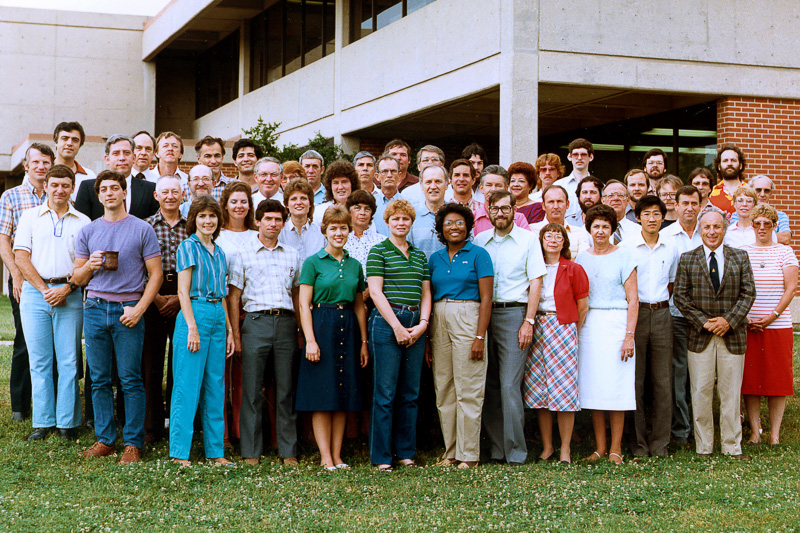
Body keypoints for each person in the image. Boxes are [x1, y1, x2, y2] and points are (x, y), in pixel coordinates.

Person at [73, 170, 163, 464]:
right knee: (98, 379)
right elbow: (78, 277)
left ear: (124, 193)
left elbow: (156, 274)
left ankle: (133, 443)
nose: (109, 193)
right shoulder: (88, 230)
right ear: (98, 196)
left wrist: (139, 308)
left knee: (130, 379)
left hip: (128, 310)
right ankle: (105, 440)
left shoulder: (142, 229)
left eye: (115, 188)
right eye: (104, 189)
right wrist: (90, 266)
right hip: (96, 307)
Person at [15, 165, 89, 440]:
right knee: (40, 360)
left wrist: (66, 288)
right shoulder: (30, 217)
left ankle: (67, 424)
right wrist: (45, 289)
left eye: (65, 185)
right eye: (54, 185)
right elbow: (21, 256)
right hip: (37, 295)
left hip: (69, 294)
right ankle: (44, 422)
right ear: (45, 186)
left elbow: (84, 265)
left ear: (72, 188)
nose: (60, 190)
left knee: (69, 361)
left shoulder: (83, 221)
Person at [673, 210, 755, 459]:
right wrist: (704, 322)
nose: (711, 232)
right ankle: (704, 446)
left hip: (732, 335)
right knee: (700, 392)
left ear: (724, 229)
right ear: (700, 229)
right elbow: (680, 296)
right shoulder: (688, 259)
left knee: (730, 393)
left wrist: (728, 321)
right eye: (707, 227)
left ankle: (732, 445)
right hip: (701, 336)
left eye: (717, 227)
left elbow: (748, 293)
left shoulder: (740, 257)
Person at [228, 199, 302, 466]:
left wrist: (301, 330)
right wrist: (236, 333)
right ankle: (251, 451)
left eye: (278, 220)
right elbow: (234, 296)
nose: (273, 224)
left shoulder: (292, 254)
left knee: (285, 389)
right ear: (257, 221)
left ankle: (288, 450)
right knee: (251, 389)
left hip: (284, 323)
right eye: (268, 219)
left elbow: (296, 294)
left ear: (284, 223)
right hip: (255, 323)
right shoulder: (243, 253)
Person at [475, 190, 546, 466]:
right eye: (496, 209)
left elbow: (536, 282)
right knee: (490, 384)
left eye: (506, 208)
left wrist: (528, 320)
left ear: (515, 210)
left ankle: (516, 451)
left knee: (508, 385)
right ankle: (496, 449)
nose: (501, 213)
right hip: (484, 315)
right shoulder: (481, 241)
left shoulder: (528, 240)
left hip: (514, 314)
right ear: (488, 211)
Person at [296, 206, 369, 470]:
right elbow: (304, 304)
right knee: (322, 395)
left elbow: (360, 305)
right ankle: (325, 456)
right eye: (333, 228)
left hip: (348, 326)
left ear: (349, 230)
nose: (339, 233)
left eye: (343, 228)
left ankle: (337, 455)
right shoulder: (313, 262)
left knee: (343, 395)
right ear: (324, 230)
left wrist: (363, 342)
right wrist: (311, 340)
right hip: (322, 326)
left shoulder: (354, 265)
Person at [169, 196, 235, 466]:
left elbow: (222, 295)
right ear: (194, 219)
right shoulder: (188, 247)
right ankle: (179, 453)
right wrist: (193, 328)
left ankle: (215, 452)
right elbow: (182, 291)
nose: (208, 221)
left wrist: (230, 329)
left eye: (212, 216)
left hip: (218, 317)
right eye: (202, 216)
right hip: (194, 314)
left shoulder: (219, 252)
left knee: (215, 384)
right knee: (187, 384)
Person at [366, 199, 431, 472]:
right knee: (385, 392)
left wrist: (423, 323)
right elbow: (375, 292)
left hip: (416, 323)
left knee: (410, 392)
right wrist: (396, 327)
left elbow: (426, 293)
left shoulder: (419, 256)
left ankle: (405, 452)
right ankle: (382, 456)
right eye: (396, 219)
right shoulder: (378, 251)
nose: (401, 223)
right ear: (388, 222)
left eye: (406, 219)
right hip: (386, 322)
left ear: (411, 222)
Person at [428, 203, 493, 469]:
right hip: (439, 317)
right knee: (444, 388)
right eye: (448, 223)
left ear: (467, 226)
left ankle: (469, 454)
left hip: (469, 315)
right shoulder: (435, 258)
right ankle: (451, 451)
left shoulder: (479, 255)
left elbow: (487, 298)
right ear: (441, 229)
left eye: (459, 223)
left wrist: (480, 337)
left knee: (469, 388)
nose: (454, 227)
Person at [575, 204, 638, 465]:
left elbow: (633, 300)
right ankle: (600, 447)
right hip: (590, 326)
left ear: (612, 229)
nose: (600, 231)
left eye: (605, 226)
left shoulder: (625, 256)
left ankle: (616, 449)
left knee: (617, 388)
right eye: (595, 226)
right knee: (595, 389)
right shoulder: (581, 258)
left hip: (616, 324)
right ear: (589, 229)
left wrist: (629, 335)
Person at [620, 195, 679, 458]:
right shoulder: (627, 246)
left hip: (663, 314)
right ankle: (638, 444)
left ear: (663, 217)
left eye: (657, 214)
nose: (652, 219)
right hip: (637, 315)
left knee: (663, 381)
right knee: (636, 381)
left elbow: (672, 283)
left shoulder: (672, 246)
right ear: (638, 217)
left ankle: (660, 443)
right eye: (646, 214)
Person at [525, 223, 589, 464]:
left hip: (562, 328)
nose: (553, 239)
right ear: (540, 241)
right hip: (536, 325)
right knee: (539, 390)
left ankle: (565, 449)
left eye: (558, 235)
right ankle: (547, 447)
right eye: (548, 235)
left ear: (564, 242)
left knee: (563, 391)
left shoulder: (573, 268)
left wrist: (571, 330)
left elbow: (583, 306)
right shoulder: (533, 266)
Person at [0, 143, 52, 422]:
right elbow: (3, 240)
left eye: (46, 162)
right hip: (24, 280)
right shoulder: (12, 196)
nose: (41, 167)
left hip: (54, 280)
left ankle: (49, 402)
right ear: (26, 165)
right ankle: (20, 406)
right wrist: (17, 275)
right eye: (37, 162)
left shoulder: (59, 193)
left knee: (52, 344)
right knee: (24, 340)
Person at [741, 204, 798, 445]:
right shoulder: (742, 251)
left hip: (778, 325)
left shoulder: (785, 252)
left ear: (775, 226)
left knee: (777, 380)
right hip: (749, 324)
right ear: (752, 225)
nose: (762, 227)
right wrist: (744, 317)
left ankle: (774, 434)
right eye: (757, 223)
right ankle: (755, 431)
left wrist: (773, 315)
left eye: (767, 223)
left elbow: (791, 288)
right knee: (750, 380)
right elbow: (736, 288)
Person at [142, 175, 188, 442]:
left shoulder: (192, 227)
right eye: (165, 192)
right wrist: (156, 298)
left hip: (184, 298)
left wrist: (180, 299)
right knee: (150, 362)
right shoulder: (146, 226)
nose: (170, 196)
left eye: (175, 191)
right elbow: (138, 267)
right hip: (153, 297)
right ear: (156, 196)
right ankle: (151, 427)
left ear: (183, 195)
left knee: (180, 363)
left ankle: (179, 423)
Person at [215, 181, 259, 445]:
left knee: (244, 376)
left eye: (244, 201)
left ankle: (243, 432)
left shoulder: (257, 234)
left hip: (251, 308)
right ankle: (221, 434)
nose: (239, 206)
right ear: (226, 205)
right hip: (222, 306)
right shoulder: (217, 235)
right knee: (220, 374)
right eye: (234, 201)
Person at [659, 185, 703, 445]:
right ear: (675, 205)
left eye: (693, 203)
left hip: (704, 316)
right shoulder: (667, 236)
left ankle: (701, 430)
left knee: (701, 374)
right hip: (675, 314)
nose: (689, 208)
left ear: (700, 205)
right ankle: (680, 431)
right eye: (684, 203)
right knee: (678, 373)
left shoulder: (709, 232)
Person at [75, 134, 159, 221]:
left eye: (126, 153)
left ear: (134, 158)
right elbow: (81, 223)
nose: (122, 158)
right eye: (116, 153)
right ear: (107, 159)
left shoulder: (150, 189)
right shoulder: (89, 187)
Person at [529, 185, 590, 258]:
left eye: (559, 201)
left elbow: (583, 261)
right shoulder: (532, 231)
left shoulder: (580, 233)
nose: (555, 206)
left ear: (567, 204)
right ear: (543, 206)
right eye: (551, 202)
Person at [472, 166, 530, 234]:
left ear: (506, 188)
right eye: (489, 185)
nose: (493, 189)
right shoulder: (473, 218)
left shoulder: (519, 219)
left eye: (498, 185)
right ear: (481, 188)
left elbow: (527, 242)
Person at [279, 178, 326, 261]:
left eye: (303, 198)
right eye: (293, 199)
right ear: (287, 204)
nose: (299, 202)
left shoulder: (320, 233)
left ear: (310, 203)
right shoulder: (280, 233)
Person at [408, 164, 449, 258]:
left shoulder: (457, 214)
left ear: (447, 184)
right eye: (428, 182)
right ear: (421, 186)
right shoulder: (410, 215)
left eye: (438, 181)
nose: (433, 186)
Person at [736, 175, 791, 245]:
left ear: (770, 193)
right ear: (751, 191)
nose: (762, 194)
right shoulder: (739, 214)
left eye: (766, 191)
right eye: (758, 190)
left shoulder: (780, 216)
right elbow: (732, 237)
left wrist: (747, 237)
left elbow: (786, 238)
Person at [344, 190, 386, 278]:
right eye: (357, 208)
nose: (362, 213)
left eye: (367, 209)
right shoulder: (342, 240)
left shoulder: (382, 241)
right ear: (349, 211)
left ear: (372, 213)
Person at [53, 121, 96, 200]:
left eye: (75, 140)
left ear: (80, 145)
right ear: (56, 142)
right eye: (65, 138)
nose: (69, 143)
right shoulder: (41, 172)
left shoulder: (90, 177)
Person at [554, 139, 593, 222]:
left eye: (583, 154)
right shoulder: (558, 186)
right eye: (575, 154)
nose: (579, 158)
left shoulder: (599, 186)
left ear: (591, 157)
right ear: (569, 157)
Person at [709, 144, 746, 214]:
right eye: (725, 160)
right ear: (719, 166)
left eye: (733, 160)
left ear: (740, 165)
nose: (729, 163)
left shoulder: (750, 191)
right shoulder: (711, 192)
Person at [373, 155, 405, 236]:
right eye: (384, 171)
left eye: (393, 171)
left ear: (399, 175)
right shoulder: (371, 203)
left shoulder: (409, 203)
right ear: (377, 176)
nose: (389, 175)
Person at [194, 136, 233, 201]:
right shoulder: (187, 188)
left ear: (222, 158)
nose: (213, 161)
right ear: (199, 159)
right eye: (208, 156)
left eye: (217, 156)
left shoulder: (234, 186)